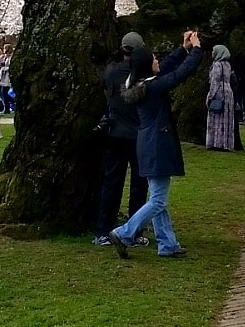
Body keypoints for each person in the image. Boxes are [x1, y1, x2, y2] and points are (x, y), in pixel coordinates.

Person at [108, 30, 202, 259]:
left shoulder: (141, 84)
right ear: (148, 66)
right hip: (157, 145)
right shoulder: (153, 89)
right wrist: (197, 50)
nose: (158, 61)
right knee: (159, 199)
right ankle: (125, 233)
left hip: (147, 143)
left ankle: (167, 243)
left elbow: (169, 65)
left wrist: (183, 49)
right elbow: (180, 73)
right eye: (154, 59)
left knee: (156, 197)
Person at [92, 32, 149, 247]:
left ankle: (103, 230)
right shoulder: (142, 73)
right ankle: (133, 231)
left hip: (115, 132)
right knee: (138, 185)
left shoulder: (112, 72)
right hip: (137, 134)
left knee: (111, 183)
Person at [206, 45, 235, 151]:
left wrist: (210, 96)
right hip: (228, 92)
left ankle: (216, 142)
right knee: (227, 118)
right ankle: (226, 143)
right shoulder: (227, 65)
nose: (212, 53)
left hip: (219, 93)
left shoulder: (217, 65)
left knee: (217, 117)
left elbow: (215, 82)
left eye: (214, 51)